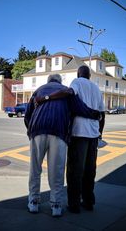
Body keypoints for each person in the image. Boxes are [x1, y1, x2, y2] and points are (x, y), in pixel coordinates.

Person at [24, 74, 100, 217]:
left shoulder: (39, 90)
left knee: (35, 168)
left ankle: (33, 201)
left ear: (48, 81)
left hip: (37, 130)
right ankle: (56, 205)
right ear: (60, 81)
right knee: (56, 170)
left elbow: (28, 114)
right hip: (58, 132)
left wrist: (31, 131)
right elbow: (80, 108)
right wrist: (95, 114)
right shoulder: (65, 90)